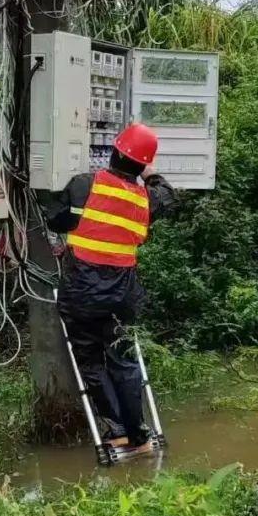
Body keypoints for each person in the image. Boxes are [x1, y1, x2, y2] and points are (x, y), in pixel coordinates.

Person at [45, 122, 176, 453]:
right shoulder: (147, 199)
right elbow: (169, 195)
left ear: (114, 151)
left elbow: (55, 219)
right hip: (122, 292)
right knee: (123, 359)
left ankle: (115, 427)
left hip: (82, 290)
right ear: (142, 165)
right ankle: (138, 434)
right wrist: (151, 175)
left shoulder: (84, 185)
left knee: (90, 358)